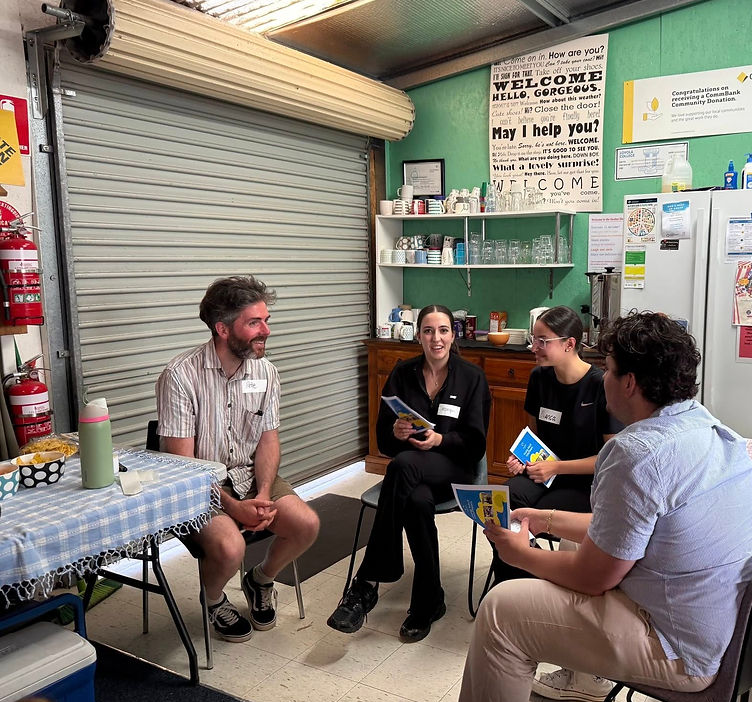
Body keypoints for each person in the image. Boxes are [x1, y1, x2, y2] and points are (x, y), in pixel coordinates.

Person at [457, 312, 752, 702]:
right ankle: (581, 677)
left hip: (681, 646)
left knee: (500, 611)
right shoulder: (706, 425)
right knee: (559, 556)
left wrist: (518, 554)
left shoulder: (635, 452)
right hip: (729, 627)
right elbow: (630, 527)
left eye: (608, 369)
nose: (603, 377)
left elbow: (593, 578)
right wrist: (545, 520)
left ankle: (579, 678)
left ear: (629, 382)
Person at [155, 275, 320, 643]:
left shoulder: (266, 372)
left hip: (248, 476)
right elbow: (183, 468)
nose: (266, 331)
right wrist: (233, 507)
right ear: (223, 329)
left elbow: (268, 439)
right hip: (197, 485)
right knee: (232, 547)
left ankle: (260, 579)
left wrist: (262, 493)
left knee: (306, 524)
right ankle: (213, 600)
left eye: (266, 320)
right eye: (254, 323)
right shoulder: (180, 376)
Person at [328, 304, 491, 642]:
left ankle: (367, 583)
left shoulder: (471, 377)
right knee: (415, 501)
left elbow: (476, 445)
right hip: (411, 478)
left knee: (401, 466)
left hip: (454, 468)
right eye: (428, 331)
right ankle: (429, 601)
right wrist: (397, 433)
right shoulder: (402, 374)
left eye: (443, 330)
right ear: (418, 336)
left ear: (453, 335)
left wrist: (440, 439)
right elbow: (384, 441)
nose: (436, 338)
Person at [490, 305, 621, 587]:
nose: (533, 347)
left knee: (529, 517)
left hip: (585, 484)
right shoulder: (540, 378)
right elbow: (533, 435)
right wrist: (520, 456)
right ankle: (516, 584)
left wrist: (557, 467)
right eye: (533, 339)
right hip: (542, 473)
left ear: (569, 344)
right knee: (502, 505)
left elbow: (610, 459)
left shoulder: (600, 386)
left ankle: (527, 580)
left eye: (542, 341)